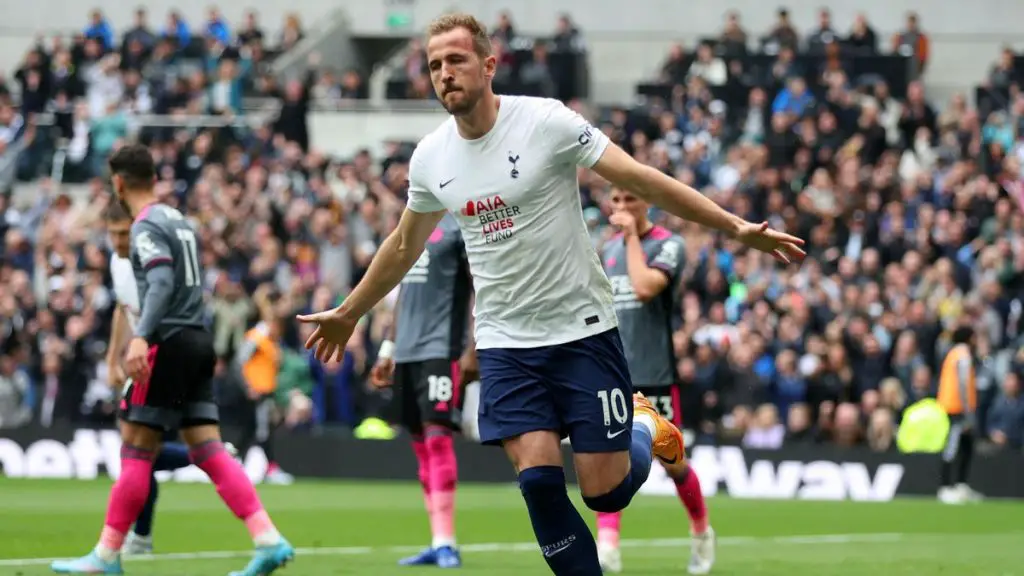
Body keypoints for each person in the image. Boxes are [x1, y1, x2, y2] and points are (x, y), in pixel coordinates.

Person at [297, 14, 804, 575]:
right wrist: (350, 312)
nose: (444, 73)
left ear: (489, 65)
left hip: (582, 330)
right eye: (435, 64)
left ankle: (644, 426)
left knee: (604, 493)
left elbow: (638, 177)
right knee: (539, 485)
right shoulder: (431, 158)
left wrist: (732, 226)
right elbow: (400, 246)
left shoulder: (545, 122)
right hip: (506, 344)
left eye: (456, 60)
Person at [51, 145, 294, 576]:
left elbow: (161, 282)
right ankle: (268, 538)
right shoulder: (179, 220)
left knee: (136, 452)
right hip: (198, 340)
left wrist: (142, 337)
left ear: (120, 183)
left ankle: (106, 556)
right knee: (209, 450)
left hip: (167, 342)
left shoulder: (145, 224)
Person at [596, 188, 714, 574]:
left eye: (631, 199)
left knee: (673, 463)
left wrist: (631, 237)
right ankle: (607, 545)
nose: (623, 207)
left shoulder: (670, 245)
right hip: (615, 375)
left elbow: (645, 288)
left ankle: (700, 531)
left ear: (647, 202)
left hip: (657, 377)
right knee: (607, 456)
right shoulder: (605, 250)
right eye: (616, 200)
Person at [370, 213, 475, 568]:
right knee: (419, 446)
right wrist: (388, 347)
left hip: (441, 350)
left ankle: (447, 541)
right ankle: (437, 539)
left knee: (437, 439)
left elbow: (481, 286)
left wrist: (474, 347)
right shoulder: (408, 227)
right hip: (407, 353)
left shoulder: (459, 227)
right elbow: (402, 292)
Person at [103, 201, 192, 556]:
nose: (118, 241)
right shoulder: (116, 262)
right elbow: (123, 309)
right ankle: (205, 455)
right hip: (142, 357)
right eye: (113, 234)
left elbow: (162, 304)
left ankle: (133, 538)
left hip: (162, 355)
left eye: (124, 233)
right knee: (141, 452)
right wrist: (113, 358)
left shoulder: (151, 257)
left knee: (136, 450)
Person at [936, 326, 983, 504]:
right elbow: (963, 383)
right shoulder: (963, 354)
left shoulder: (952, 353)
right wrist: (967, 410)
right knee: (953, 448)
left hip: (954, 405)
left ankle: (960, 485)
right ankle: (946, 487)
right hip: (958, 407)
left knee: (965, 445)